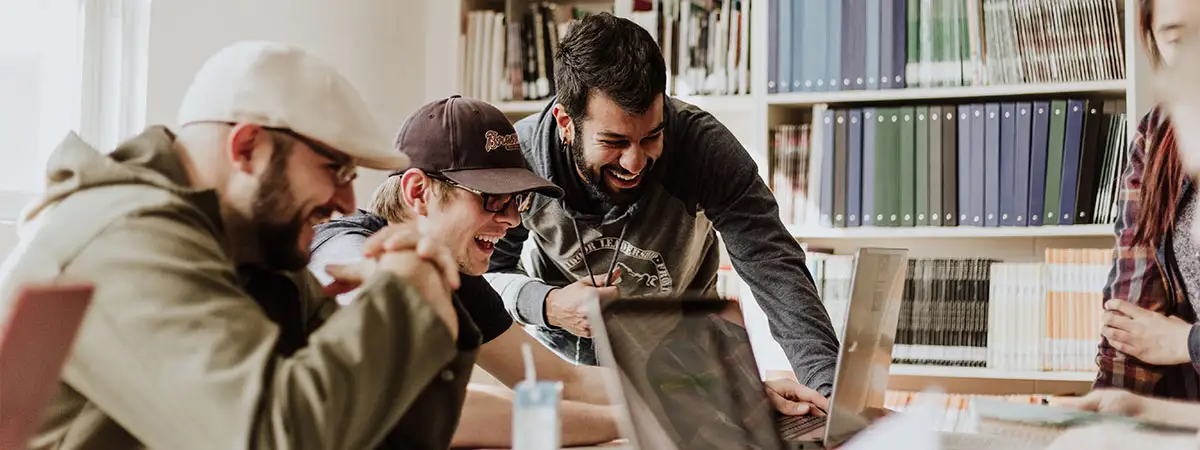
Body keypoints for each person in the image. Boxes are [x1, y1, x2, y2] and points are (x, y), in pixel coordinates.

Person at [0, 41, 473, 449]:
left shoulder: (253, 251)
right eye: (336, 170)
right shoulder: (124, 237)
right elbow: (274, 438)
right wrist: (404, 295)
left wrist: (428, 299)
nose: (348, 202)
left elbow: (382, 436)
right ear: (247, 147)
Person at [482, 12, 839, 407]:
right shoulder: (521, 157)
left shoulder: (703, 147)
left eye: (651, 136)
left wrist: (830, 396)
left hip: (688, 362)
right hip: (569, 371)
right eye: (614, 141)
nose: (634, 162)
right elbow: (484, 275)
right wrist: (546, 304)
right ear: (566, 122)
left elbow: (773, 264)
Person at [307, 95, 621, 448]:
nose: (512, 220)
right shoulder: (343, 249)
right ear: (418, 192)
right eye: (492, 198)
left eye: (516, 201)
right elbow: (425, 407)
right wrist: (626, 420)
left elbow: (560, 380)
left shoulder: (453, 274)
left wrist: (672, 393)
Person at [1094, 0, 1200, 400]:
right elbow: (1132, 316)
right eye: (1177, 39)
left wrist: (1186, 343)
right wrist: (1110, 410)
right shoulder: (1159, 134)